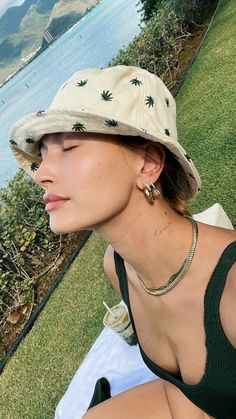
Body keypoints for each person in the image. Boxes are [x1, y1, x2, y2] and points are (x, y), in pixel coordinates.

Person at [9, 65, 236, 419]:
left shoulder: (232, 288)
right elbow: (185, 393)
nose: (41, 174)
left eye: (69, 147)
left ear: (147, 163)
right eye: (42, 155)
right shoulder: (117, 266)